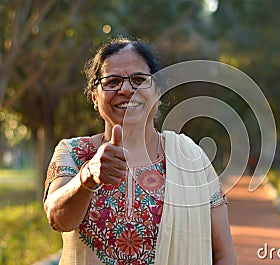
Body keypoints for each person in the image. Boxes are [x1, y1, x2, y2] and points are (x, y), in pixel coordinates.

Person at [43, 36, 237, 265]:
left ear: (157, 92)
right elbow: (58, 220)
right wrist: (87, 177)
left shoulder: (191, 159)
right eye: (112, 81)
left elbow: (223, 255)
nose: (126, 89)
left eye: (138, 79)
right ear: (95, 97)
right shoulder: (73, 152)